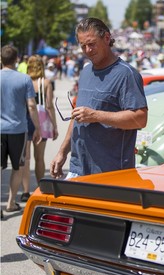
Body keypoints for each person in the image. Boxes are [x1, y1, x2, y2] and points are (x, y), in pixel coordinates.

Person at [50, 17, 148, 179]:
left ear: (107, 38)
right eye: (83, 46)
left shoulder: (126, 74)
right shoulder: (86, 72)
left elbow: (140, 118)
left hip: (110, 173)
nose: (88, 50)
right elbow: (77, 116)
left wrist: (96, 116)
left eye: (92, 44)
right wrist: (62, 152)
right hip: (78, 169)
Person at [1, 45, 41, 212]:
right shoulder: (24, 79)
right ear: (17, 59)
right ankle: (10, 203)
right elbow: (32, 106)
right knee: (17, 167)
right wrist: (38, 127)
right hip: (18, 129)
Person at [21, 55, 59, 201]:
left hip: (25, 118)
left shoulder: (25, 81)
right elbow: (49, 106)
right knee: (39, 157)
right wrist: (54, 126)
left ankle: (25, 191)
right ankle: (39, 187)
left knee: (26, 158)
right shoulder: (46, 82)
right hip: (42, 120)